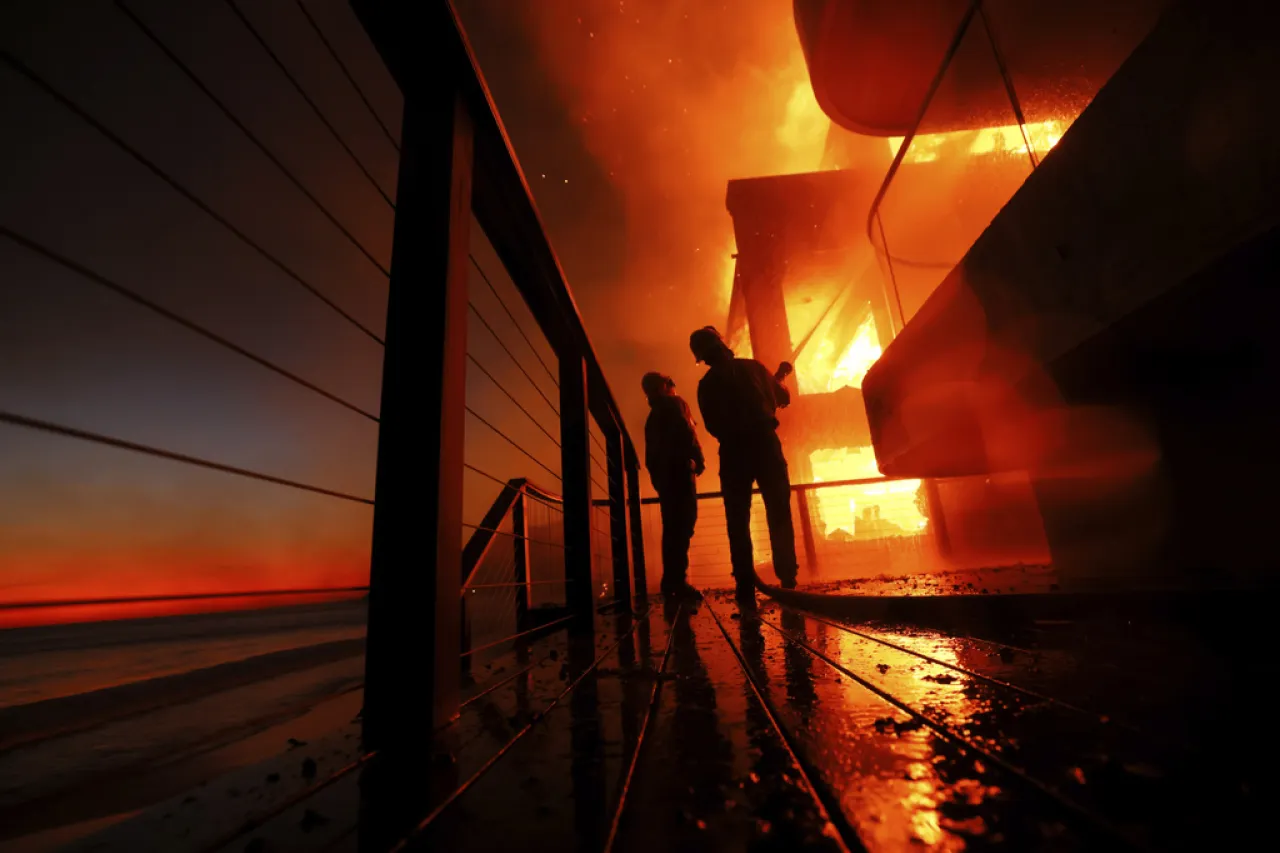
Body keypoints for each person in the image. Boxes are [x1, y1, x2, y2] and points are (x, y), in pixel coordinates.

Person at [689, 326, 799, 598]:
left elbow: (712, 424)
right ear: (723, 346)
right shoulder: (754, 368)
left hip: (733, 451)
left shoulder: (707, 385)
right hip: (765, 444)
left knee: (737, 518)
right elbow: (782, 397)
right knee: (778, 510)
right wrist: (779, 379)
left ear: (704, 357)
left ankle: (744, 583)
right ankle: (787, 577)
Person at [641, 371, 705, 596]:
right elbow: (687, 431)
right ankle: (677, 581)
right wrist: (698, 458)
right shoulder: (675, 404)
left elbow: (651, 457)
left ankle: (672, 581)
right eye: (670, 383)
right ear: (663, 386)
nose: (674, 387)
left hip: (666, 479)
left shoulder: (653, 417)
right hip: (680, 473)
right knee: (684, 524)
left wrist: (659, 480)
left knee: (672, 528)